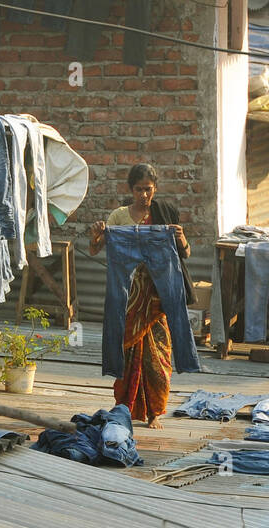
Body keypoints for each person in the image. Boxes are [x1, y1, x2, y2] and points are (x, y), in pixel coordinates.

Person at [89, 163, 195, 427]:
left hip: (159, 297)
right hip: (130, 297)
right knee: (129, 353)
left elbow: (186, 253)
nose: (144, 195)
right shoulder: (119, 217)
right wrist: (96, 236)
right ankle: (125, 408)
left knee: (158, 357)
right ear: (131, 190)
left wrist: (180, 238)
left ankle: (154, 413)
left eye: (148, 190)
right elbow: (96, 250)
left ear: (155, 189)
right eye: (138, 190)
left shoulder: (165, 213)